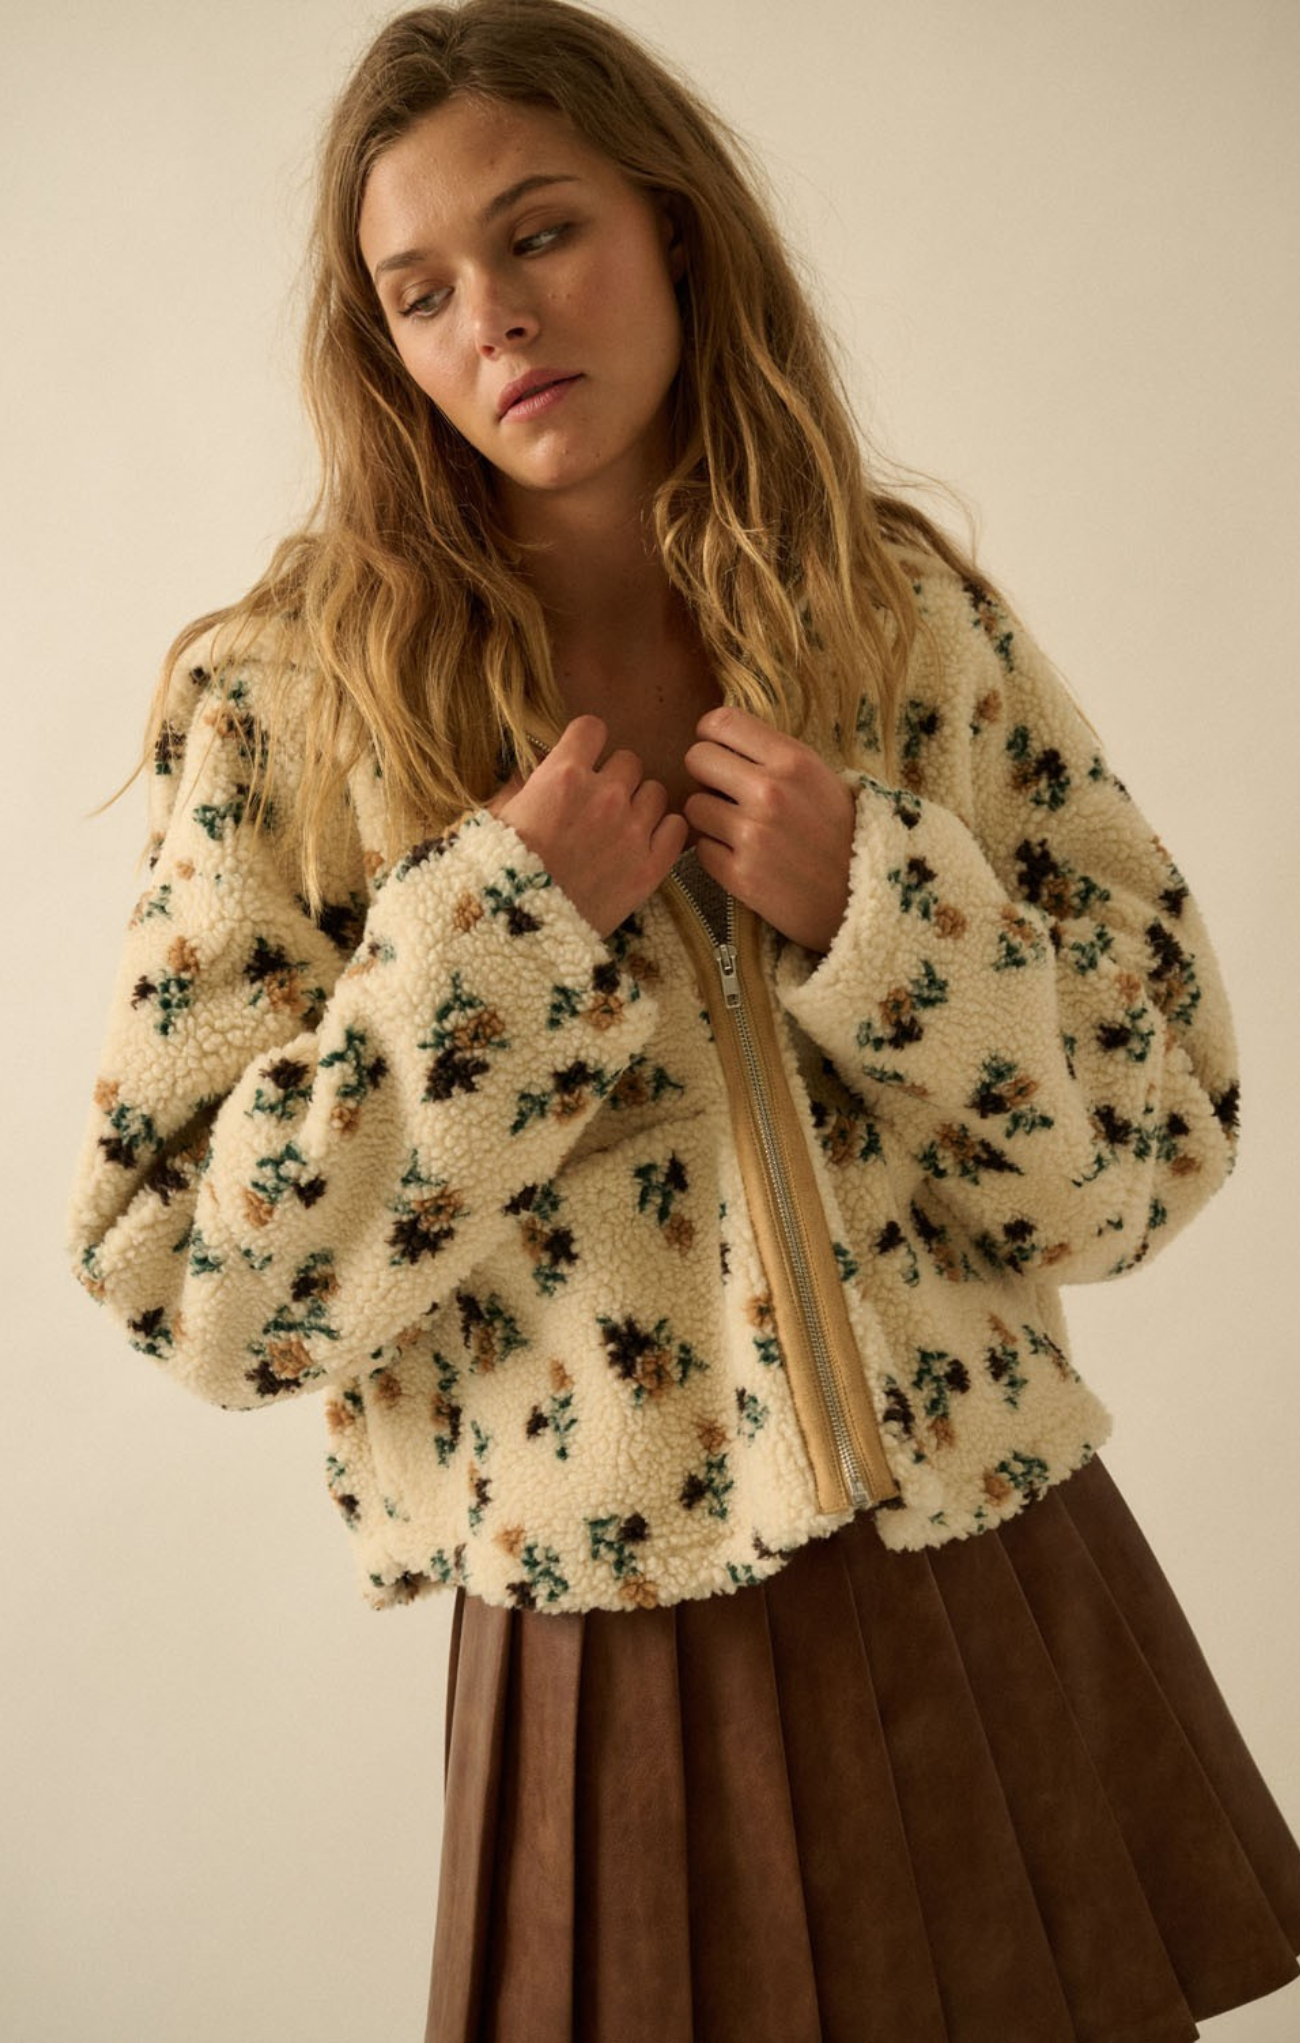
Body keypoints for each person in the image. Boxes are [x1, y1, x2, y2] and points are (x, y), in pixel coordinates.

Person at [65, 2, 1300, 2037]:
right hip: (604, 1650)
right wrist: (492, 949)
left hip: (990, 1570)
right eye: (420, 291)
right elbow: (184, 1284)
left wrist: (886, 918)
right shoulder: (294, 707)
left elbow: (1162, 1130)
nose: (495, 320)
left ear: (671, 229)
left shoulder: (895, 623)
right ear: (380, 346)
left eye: (540, 233)